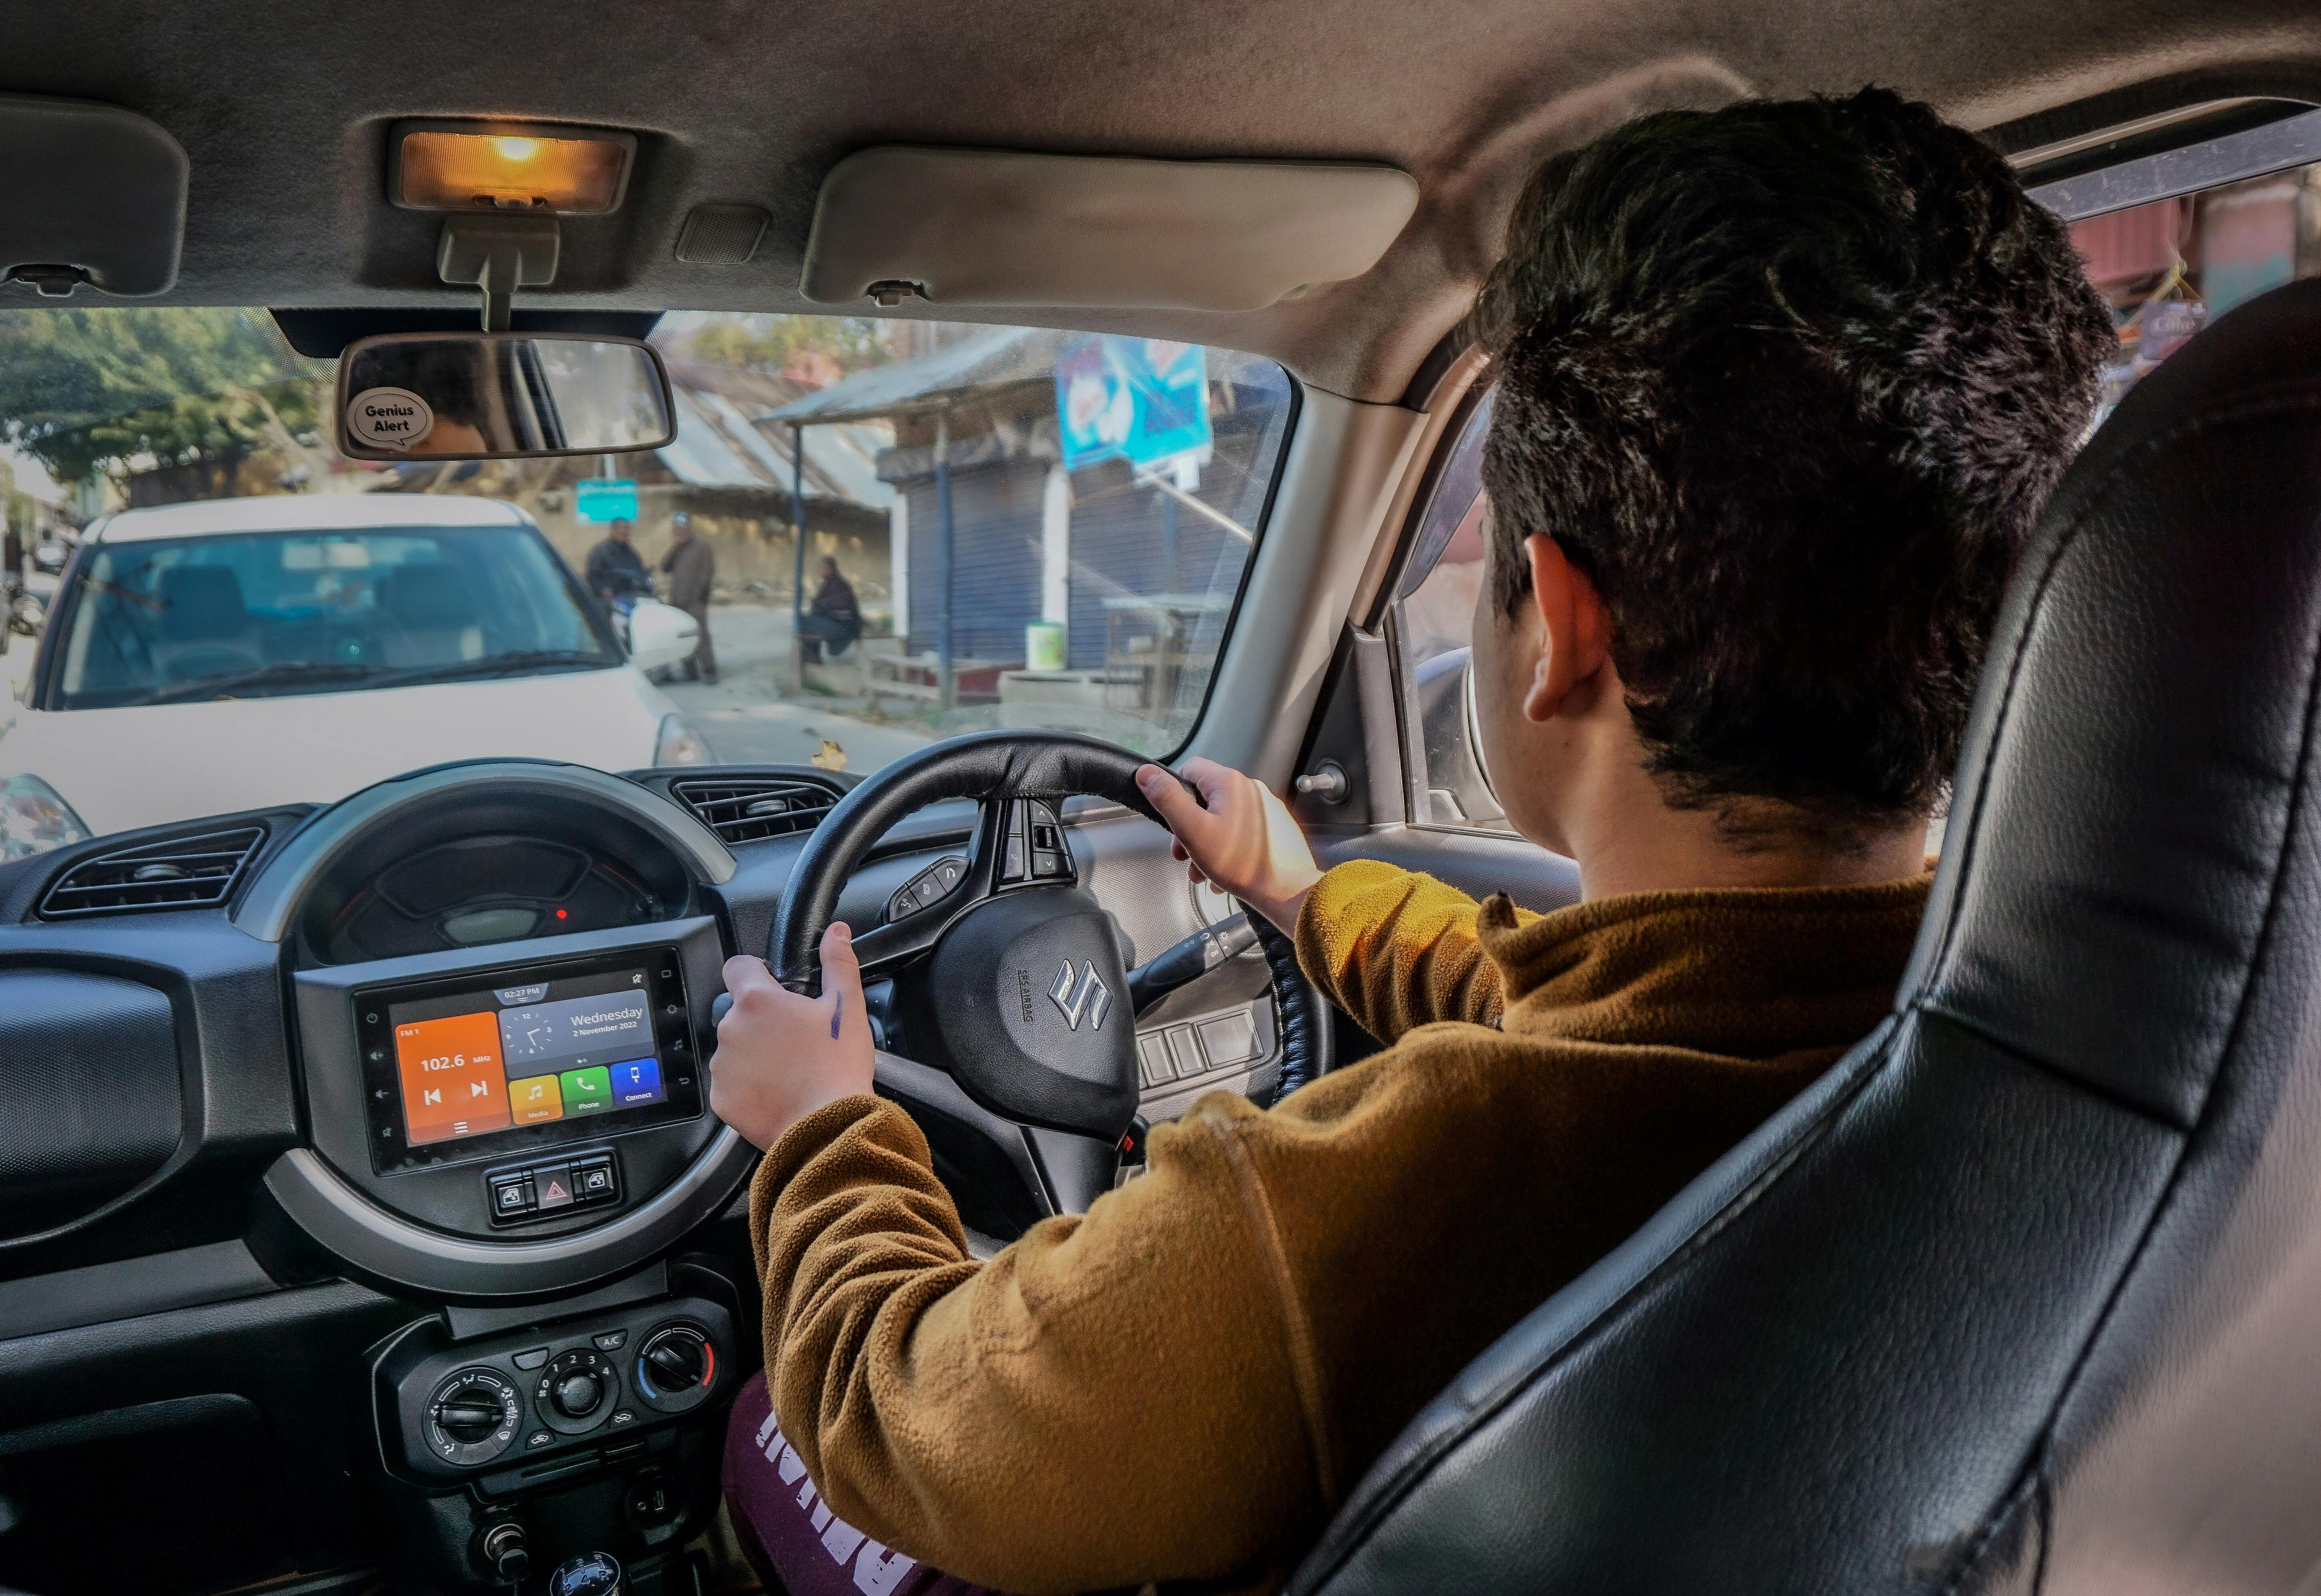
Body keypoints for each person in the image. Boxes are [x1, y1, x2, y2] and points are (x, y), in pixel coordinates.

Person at [707, 88, 2116, 1594]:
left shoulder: (1337, 1223)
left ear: (1559, 628)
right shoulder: (2074, 1050)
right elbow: (1583, 1018)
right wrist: (1308, 903)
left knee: (762, 1442)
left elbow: (909, 1419)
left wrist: (818, 1130)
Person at [661, 511, 718, 684]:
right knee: (683, 635)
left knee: (701, 635)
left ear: (689, 528)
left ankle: (710, 670)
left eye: (682, 528)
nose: (680, 532)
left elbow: (707, 572)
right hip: (677, 599)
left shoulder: (702, 547)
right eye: (676, 529)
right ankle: (690, 670)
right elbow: (665, 567)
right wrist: (674, 547)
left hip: (696, 600)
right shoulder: (677, 548)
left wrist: (697, 595)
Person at [803, 555, 861, 660]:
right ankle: (813, 657)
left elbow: (837, 609)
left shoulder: (837, 584)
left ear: (828, 568)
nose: (817, 571)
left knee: (803, 622)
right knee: (807, 621)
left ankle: (813, 658)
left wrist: (819, 607)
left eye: (820, 567)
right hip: (841, 625)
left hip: (843, 627)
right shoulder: (831, 583)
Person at [583, 517, 648, 605]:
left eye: (626, 528)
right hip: (608, 601)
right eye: (620, 528)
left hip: (630, 598)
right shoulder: (600, 552)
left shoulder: (632, 554)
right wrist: (604, 590)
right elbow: (592, 577)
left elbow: (640, 574)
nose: (623, 531)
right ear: (613, 530)